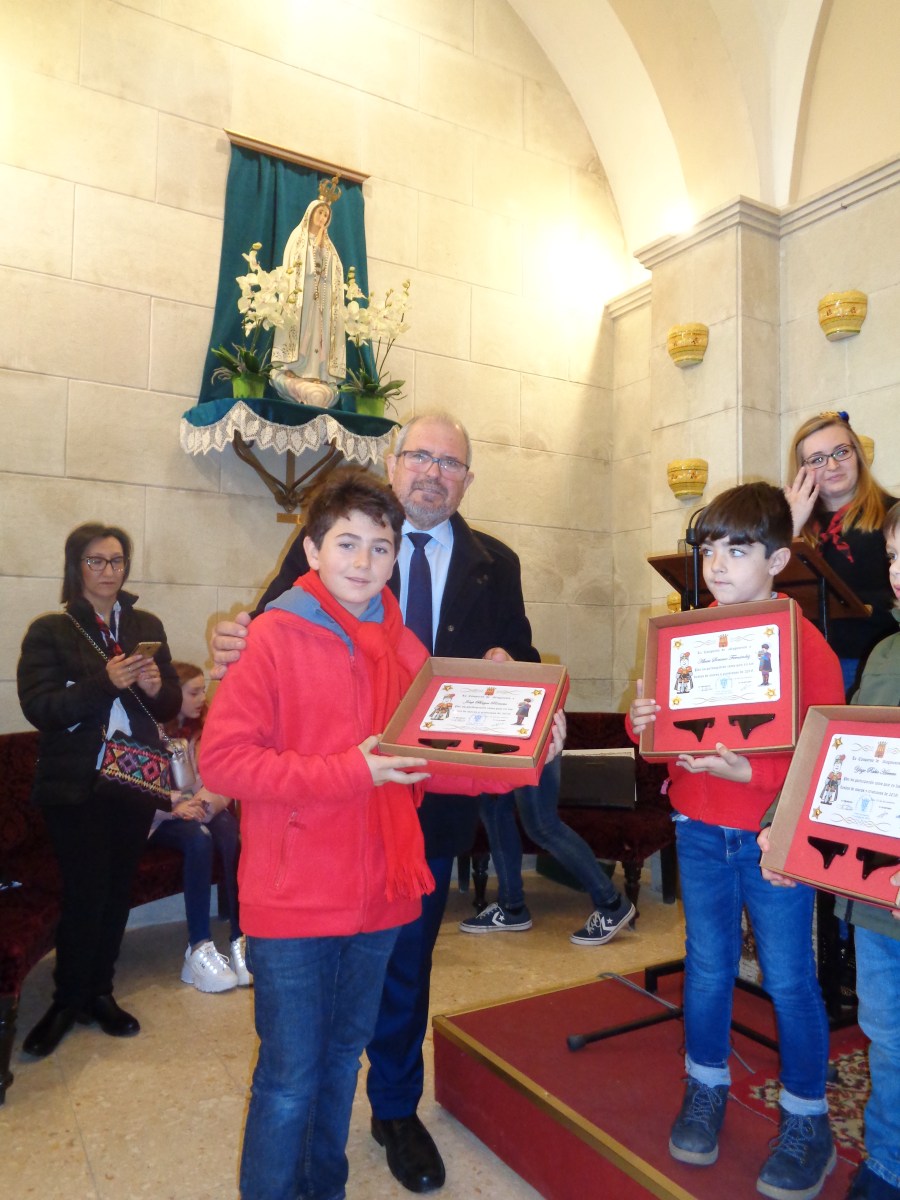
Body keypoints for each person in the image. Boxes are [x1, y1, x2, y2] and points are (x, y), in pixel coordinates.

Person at [199, 467, 563, 1200]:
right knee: (289, 1078)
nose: (363, 562)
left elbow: (435, 762)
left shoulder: (407, 653)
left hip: (379, 897)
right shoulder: (272, 637)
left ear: (397, 556)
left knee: (341, 1064)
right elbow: (224, 763)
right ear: (312, 551)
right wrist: (353, 771)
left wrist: (525, 755)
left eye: (380, 547)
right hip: (295, 900)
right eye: (347, 544)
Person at [629, 483, 845, 1200]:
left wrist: (751, 772)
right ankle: (706, 1085)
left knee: (788, 977)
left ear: (778, 560)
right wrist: (642, 720)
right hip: (698, 828)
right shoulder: (688, 634)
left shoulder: (804, 643)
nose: (718, 564)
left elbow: (823, 752)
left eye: (738, 550)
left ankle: (808, 1117)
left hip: (768, 835)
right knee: (708, 965)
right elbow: (658, 738)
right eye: (710, 549)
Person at [762, 499, 900, 1200]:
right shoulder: (885, 655)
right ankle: (889, 1162)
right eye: (897, 557)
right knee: (887, 1033)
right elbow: (837, 753)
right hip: (877, 904)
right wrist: (782, 824)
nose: (899, 573)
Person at [17, 522, 181, 1057]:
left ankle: (100, 993)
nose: (108, 571)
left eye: (116, 561)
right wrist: (102, 683)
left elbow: (169, 704)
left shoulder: (145, 625)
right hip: (76, 781)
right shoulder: (52, 631)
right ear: (76, 566)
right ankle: (67, 1001)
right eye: (96, 561)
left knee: (116, 890)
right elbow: (40, 707)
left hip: (134, 775)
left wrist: (156, 688)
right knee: (85, 891)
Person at [458, 755, 636, 944]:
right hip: (497, 743)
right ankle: (511, 907)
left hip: (532, 741)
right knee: (493, 809)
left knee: (542, 825)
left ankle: (612, 903)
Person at [148, 662, 248, 993]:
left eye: (203, 690)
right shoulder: (148, 728)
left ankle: (239, 937)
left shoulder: (205, 728)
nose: (202, 698)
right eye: (194, 692)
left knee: (228, 831)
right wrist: (175, 806)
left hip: (195, 810)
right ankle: (198, 945)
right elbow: (137, 788)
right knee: (199, 839)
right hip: (156, 819)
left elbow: (220, 777)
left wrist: (201, 806)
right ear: (173, 695)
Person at [786, 410, 897, 694]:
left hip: (874, 661)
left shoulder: (893, 515)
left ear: (857, 454)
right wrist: (790, 527)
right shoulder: (789, 527)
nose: (833, 465)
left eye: (841, 452)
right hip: (805, 661)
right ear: (802, 470)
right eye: (817, 459)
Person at [270, 192, 345, 404]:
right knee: (301, 330)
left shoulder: (329, 247)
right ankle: (293, 368)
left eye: (326, 215)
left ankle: (315, 372)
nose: (322, 218)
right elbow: (294, 265)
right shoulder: (299, 238)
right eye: (320, 213)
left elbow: (335, 272)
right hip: (302, 296)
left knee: (319, 334)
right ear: (311, 213)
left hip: (321, 298)